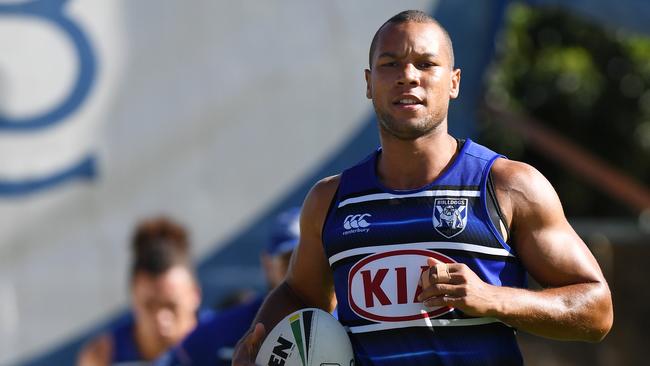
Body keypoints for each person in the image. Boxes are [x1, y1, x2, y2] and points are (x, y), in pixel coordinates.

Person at [233, 10, 613, 365]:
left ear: (454, 82)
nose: (408, 75)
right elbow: (299, 294)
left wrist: (494, 298)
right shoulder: (331, 199)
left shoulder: (509, 186)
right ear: (369, 83)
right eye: (390, 64)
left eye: (426, 64)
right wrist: (258, 342)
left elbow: (596, 309)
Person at [155, 207, 303, 366]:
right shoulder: (221, 332)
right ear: (268, 265)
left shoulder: (333, 325)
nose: (301, 269)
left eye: (311, 259)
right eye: (288, 260)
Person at [77, 217, 205, 366]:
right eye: (149, 306)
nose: (161, 319)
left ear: (195, 295)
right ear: (133, 297)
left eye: (171, 306)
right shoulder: (101, 356)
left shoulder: (226, 344)